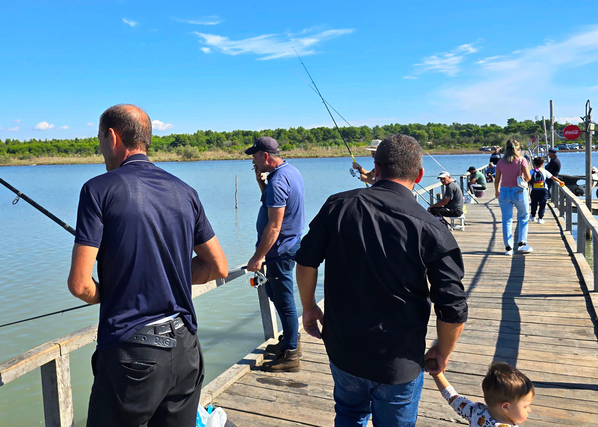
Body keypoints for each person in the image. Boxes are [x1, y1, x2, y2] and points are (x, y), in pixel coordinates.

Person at [68, 104, 229, 427]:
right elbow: (219, 267)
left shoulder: (98, 190)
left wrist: (112, 291)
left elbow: (80, 284)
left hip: (133, 355)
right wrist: (167, 279)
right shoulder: (185, 191)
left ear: (112, 137)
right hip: (185, 347)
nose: (100, 148)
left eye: (99, 139)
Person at [295, 135, 468, 426]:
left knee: (349, 414)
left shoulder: (337, 205)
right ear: (420, 174)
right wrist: (442, 351)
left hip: (343, 349)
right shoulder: (433, 229)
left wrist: (309, 307)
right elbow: (452, 306)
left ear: (375, 168)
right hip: (398, 361)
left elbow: (305, 261)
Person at [244, 136, 305, 372]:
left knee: (284, 299)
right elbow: (272, 203)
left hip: (280, 250)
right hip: (286, 247)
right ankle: (289, 340)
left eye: (255, 156)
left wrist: (258, 257)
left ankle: (291, 353)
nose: (253, 161)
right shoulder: (289, 172)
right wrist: (261, 182)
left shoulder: (279, 181)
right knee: (273, 291)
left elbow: (274, 225)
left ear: (265, 156)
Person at [430, 362, 534, 426]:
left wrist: (437, 374)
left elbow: (452, 396)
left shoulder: (475, 411)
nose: (529, 410)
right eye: (526, 406)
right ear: (506, 407)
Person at [494, 139, 532, 256]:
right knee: (523, 217)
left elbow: (497, 179)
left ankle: (508, 248)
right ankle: (522, 243)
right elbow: (528, 177)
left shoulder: (500, 162)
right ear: (517, 148)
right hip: (519, 191)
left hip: (504, 192)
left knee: (506, 220)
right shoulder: (522, 160)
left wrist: (497, 190)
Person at [529, 156, 563, 223]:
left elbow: (527, 179)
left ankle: (533, 216)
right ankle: (540, 218)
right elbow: (552, 177)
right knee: (542, 204)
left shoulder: (531, 171)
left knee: (534, 203)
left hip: (534, 190)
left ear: (534, 163)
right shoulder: (544, 171)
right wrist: (560, 181)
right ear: (542, 164)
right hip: (543, 190)